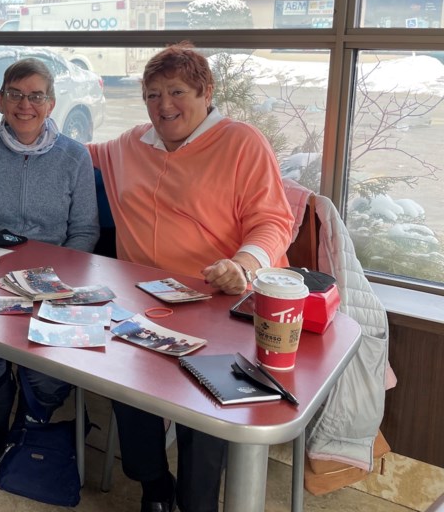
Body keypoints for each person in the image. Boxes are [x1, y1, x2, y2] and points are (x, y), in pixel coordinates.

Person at [88, 42, 293, 512]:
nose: (164, 105)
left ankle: (198, 504)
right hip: (145, 300)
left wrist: (242, 264)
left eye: (177, 91)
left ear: (207, 92)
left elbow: (273, 220)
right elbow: (76, 155)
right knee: (125, 382)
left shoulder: (242, 141)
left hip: (219, 301)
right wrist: (30, 121)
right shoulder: (130, 144)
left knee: (207, 404)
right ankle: (154, 488)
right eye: (152, 94)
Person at [0, 57, 99, 459]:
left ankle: (33, 412)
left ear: (51, 104)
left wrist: (56, 279)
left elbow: (85, 230)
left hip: (56, 283)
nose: (25, 105)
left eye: (36, 96)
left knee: (49, 377)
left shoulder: (74, 157)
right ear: (0, 100)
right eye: (15, 95)